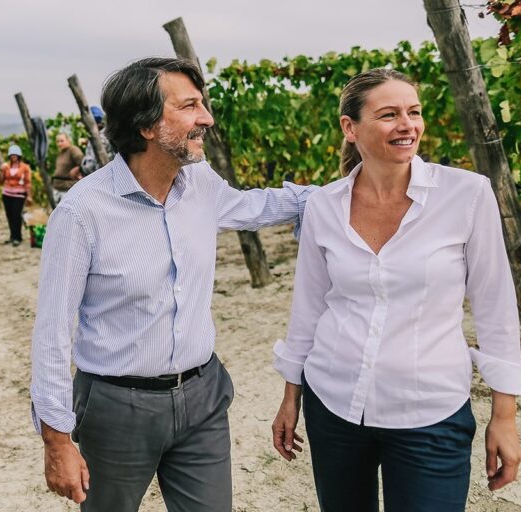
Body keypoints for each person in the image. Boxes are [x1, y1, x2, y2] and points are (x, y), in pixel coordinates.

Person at [30, 57, 315, 511]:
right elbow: (52, 335)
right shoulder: (82, 213)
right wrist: (57, 440)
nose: (207, 118)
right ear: (146, 126)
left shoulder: (199, 183)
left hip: (203, 398)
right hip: (116, 407)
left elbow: (252, 207)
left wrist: (342, 195)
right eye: (190, 107)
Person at [270, 68, 521, 511]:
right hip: (333, 406)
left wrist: (504, 417)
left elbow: (496, 308)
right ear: (350, 128)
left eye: (414, 112)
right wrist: (291, 396)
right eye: (389, 114)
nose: (407, 124)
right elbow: (309, 307)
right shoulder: (323, 205)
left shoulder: (467, 195)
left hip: (430, 412)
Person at [0, 144, 33, 246]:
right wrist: (1, 171)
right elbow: (0, 181)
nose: (13, 156)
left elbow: (27, 182)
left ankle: (18, 236)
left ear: (19, 156)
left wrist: (29, 195)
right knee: (9, 216)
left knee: (16, 215)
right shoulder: (6, 167)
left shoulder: (25, 168)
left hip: (19, 194)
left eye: (15, 155)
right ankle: (12, 236)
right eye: (12, 155)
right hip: (7, 194)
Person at [80, 105, 116, 176]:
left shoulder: (98, 139)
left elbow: (90, 166)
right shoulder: (109, 135)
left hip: (101, 178)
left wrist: (81, 169)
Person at [50, 132, 84, 204]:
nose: (59, 143)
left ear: (68, 140)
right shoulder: (61, 153)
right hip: (58, 188)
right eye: (58, 141)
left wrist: (78, 169)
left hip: (68, 189)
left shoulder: (73, 150)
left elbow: (83, 163)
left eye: (62, 141)